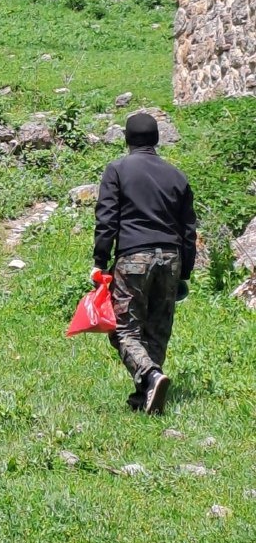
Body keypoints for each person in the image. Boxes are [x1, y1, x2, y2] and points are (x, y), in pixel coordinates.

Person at [92, 112, 197, 414]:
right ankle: (147, 395)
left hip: (133, 257)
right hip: (171, 258)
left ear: (126, 139)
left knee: (123, 330)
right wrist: (184, 271)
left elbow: (107, 219)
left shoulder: (118, 170)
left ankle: (150, 375)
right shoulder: (176, 175)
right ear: (156, 139)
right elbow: (188, 229)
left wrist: (100, 261)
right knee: (157, 329)